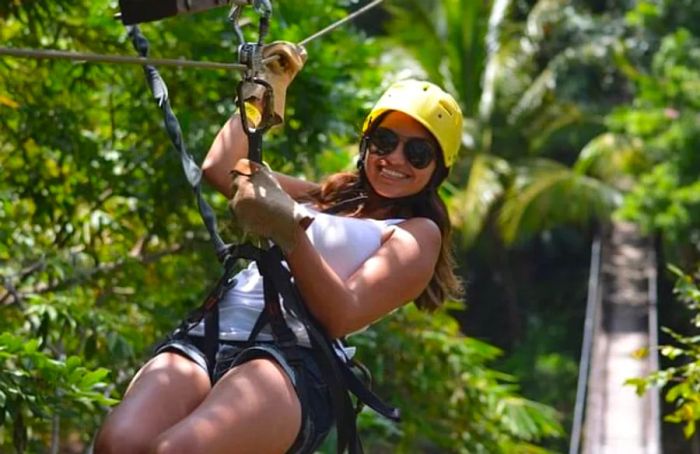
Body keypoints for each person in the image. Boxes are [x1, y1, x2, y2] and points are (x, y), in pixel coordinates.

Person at [95, 42, 463, 454]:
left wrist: (289, 232)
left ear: (437, 168)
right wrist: (264, 91)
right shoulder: (323, 196)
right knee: (118, 444)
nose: (395, 158)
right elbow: (222, 167)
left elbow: (341, 314)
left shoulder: (417, 234)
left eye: (417, 152)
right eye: (385, 141)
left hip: (291, 359)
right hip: (212, 332)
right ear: (366, 144)